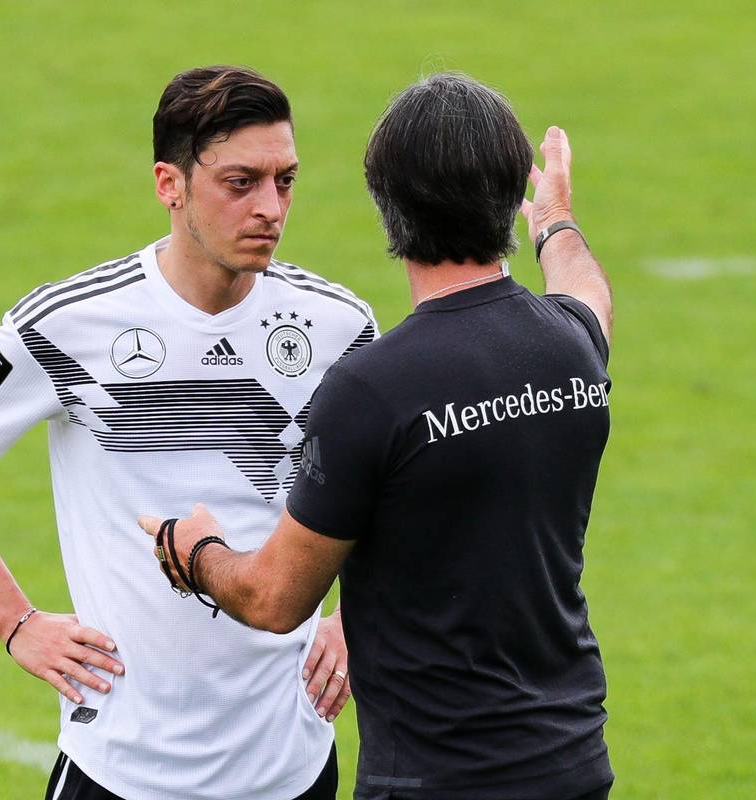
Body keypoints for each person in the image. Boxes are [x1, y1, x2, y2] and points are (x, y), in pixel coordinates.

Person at [0, 65, 378, 800]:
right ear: (169, 184)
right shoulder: (66, 325)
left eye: (286, 180)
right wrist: (15, 621)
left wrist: (354, 618)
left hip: (291, 765)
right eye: (240, 182)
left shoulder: (341, 329)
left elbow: (396, 487)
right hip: (121, 767)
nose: (271, 208)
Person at [140, 73, 616, 800]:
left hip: (436, 780)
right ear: (503, 201)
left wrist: (194, 550)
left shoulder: (373, 391)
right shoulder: (572, 346)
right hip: (572, 760)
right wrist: (553, 218)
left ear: (388, 207)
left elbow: (273, 598)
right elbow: (588, 290)